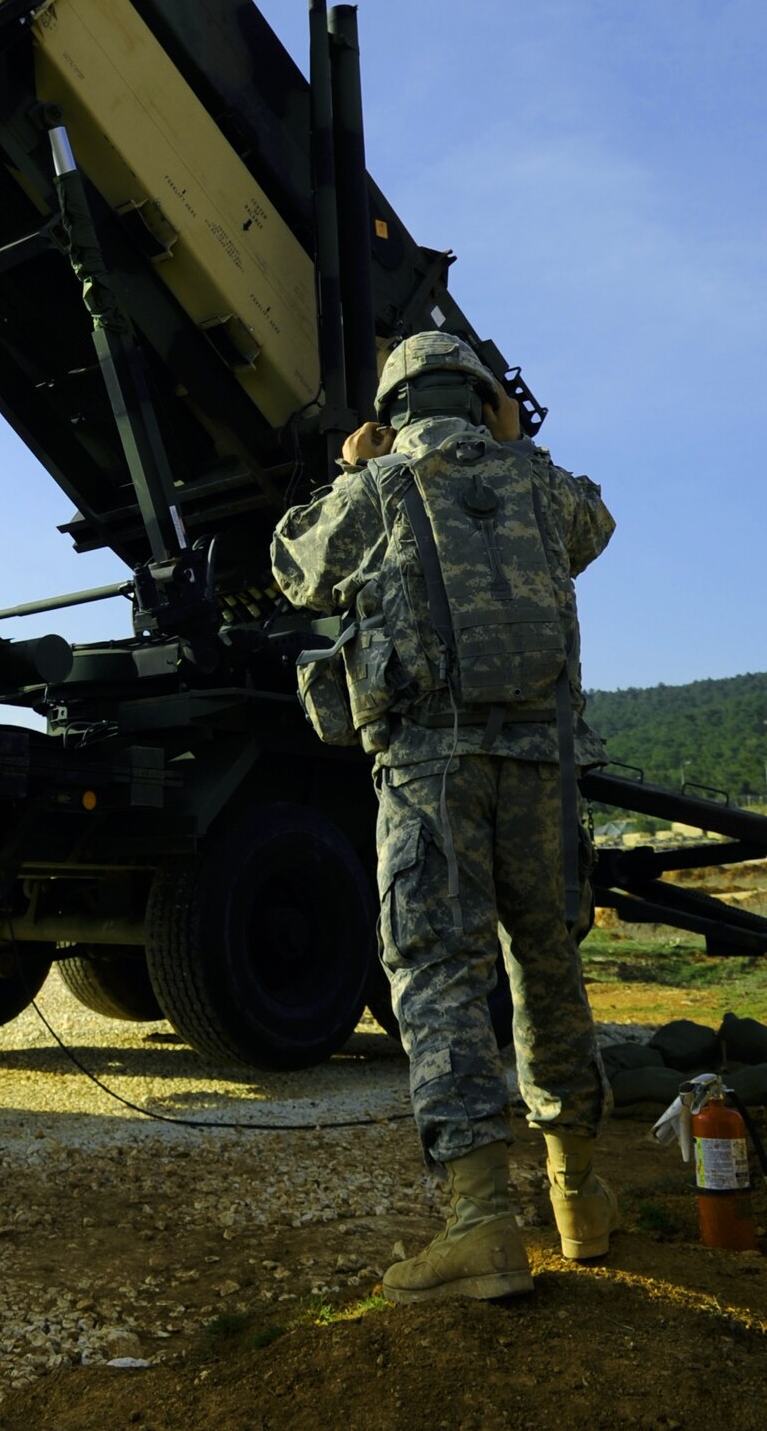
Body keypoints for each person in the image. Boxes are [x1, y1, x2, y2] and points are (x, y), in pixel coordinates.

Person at [271, 331, 618, 1303]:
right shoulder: (540, 488)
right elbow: (594, 525)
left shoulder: (377, 485)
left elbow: (293, 570)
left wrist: (350, 467)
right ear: (481, 400)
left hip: (432, 771)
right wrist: (521, 448)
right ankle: (577, 1199)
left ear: (391, 407)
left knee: (439, 978)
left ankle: (479, 1226)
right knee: (547, 964)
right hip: (540, 769)